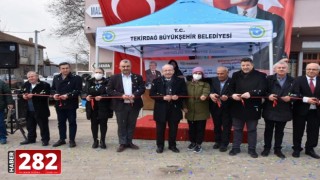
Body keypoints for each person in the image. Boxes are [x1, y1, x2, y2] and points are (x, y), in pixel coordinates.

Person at [225, 0, 285, 69]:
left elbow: (277, 52)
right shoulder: (220, 17)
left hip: (262, 75)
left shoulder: (275, 20)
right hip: (228, 74)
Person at [228, 57, 267, 158]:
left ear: (252, 65)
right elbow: (230, 88)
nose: (245, 67)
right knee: (237, 129)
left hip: (253, 107)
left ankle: (252, 149)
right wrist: (233, 95)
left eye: (247, 65)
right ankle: (235, 148)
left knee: (252, 130)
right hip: (237, 106)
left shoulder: (261, 75)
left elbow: (263, 89)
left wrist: (251, 93)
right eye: (243, 65)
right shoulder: (235, 75)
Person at [106, 59, 145, 152]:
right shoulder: (114, 78)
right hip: (120, 105)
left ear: (130, 67)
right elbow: (109, 90)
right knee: (121, 124)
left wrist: (135, 95)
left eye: (127, 66)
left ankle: (129, 142)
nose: (125, 68)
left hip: (134, 104)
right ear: (120, 67)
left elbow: (142, 88)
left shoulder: (138, 77)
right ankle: (122, 143)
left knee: (132, 124)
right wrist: (121, 96)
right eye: (123, 66)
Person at [150, 64, 187, 153]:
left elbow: (184, 93)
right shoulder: (156, 81)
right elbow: (152, 94)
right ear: (162, 72)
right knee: (160, 129)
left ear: (173, 71)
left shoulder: (180, 81)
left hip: (175, 107)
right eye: (165, 70)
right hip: (161, 108)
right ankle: (160, 146)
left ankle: (172, 145)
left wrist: (178, 96)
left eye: (170, 70)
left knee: (174, 128)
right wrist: (163, 97)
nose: (168, 72)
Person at [261, 62, 294, 159]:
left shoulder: (293, 80)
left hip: (284, 109)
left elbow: (296, 93)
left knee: (280, 131)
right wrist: (268, 96)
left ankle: (277, 149)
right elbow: (263, 91)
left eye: (284, 68)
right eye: (279, 67)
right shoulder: (268, 79)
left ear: (287, 69)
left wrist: (290, 97)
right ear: (275, 69)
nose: (281, 69)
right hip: (270, 108)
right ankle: (266, 148)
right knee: (268, 130)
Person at [291, 63, 320, 159]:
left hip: (316, 111)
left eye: (314, 69)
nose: (311, 71)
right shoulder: (298, 80)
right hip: (300, 109)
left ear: (318, 71)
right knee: (298, 130)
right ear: (306, 70)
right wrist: (307, 99)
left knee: (313, 131)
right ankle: (296, 148)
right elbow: (294, 93)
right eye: (309, 69)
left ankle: (310, 149)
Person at [51, 62, 82, 148]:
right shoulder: (56, 78)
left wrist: (68, 95)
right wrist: (54, 95)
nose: (65, 70)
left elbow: (78, 90)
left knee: (72, 122)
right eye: (63, 68)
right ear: (60, 69)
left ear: (70, 68)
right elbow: (53, 89)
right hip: (59, 104)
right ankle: (62, 139)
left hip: (71, 104)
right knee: (61, 122)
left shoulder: (76, 78)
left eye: (67, 68)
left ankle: (72, 140)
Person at [84, 68, 113, 149]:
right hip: (92, 107)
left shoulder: (108, 82)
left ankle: (102, 141)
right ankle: (95, 140)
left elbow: (110, 93)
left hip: (104, 106)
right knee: (94, 124)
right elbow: (83, 92)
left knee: (103, 124)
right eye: (96, 72)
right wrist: (86, 96)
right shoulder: (89, 81)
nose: (98, 74)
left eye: (100, 72)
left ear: (103, 74)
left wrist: (102, 97)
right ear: (94, 73)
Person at [20, 71, 51, 146]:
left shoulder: (44, 85)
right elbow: (20, 93)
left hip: (40, 110)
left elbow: (46, 95)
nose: (31, 78)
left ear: (37, 77)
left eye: (32, 76)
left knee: (43, 126)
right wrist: (22, 96)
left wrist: (34, 96)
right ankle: (31, 139)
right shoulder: (25, 84)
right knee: (30, 126)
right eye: (29, 77)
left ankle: (45, 140)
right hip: (29, 109)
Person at [183, 67, 210, 153]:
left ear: (202, 75)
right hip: (190, 109)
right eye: (196, 73)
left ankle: (199, 144)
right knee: (191, 128)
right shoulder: (187, 84)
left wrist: (204, 95)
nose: (197, 75)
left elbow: (206, 91)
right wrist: (184, 107)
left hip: (201, 110)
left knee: (200, 128)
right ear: (192, 74)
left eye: (200, 73)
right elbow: (183, 96)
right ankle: (192, 142)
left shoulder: (206, 84)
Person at [209, 66, 232, 152]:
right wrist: (211, 94)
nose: (219, 75)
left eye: (222, 73)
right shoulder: (213, 80)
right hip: (215, 107)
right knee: (217, 125)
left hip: (228, 107)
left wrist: (228, 96)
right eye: (218, 73)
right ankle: (217, 142)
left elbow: (234, 91)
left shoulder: (232, 81)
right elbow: (210, 90)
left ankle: (224, 144)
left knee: (226, 126)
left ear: (227, 73)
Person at [0, 79, 14, 144]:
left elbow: (8, 93)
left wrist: (10, 103)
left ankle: (3, 137)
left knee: (0, 123)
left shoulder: (2, 83)